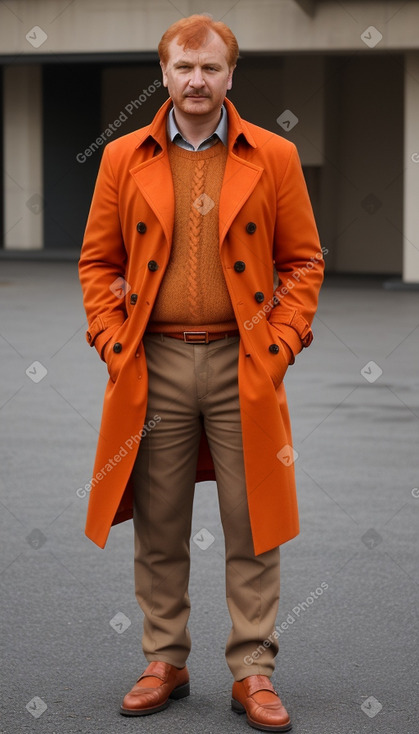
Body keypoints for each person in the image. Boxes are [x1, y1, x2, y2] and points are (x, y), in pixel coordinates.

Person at [79, 13, 324, 732]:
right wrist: (109, 339)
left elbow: (303, 261)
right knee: (158, 522)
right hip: (150, 362)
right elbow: (97, 261)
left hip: (243, 362)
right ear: (163, 75)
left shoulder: (272, 155)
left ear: (230, 75)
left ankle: (253, 671)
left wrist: (279, 344)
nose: (196, 81)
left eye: (210, 68)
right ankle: (165, 660)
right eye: (183, 68)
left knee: (254, 522)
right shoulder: (123, 156)